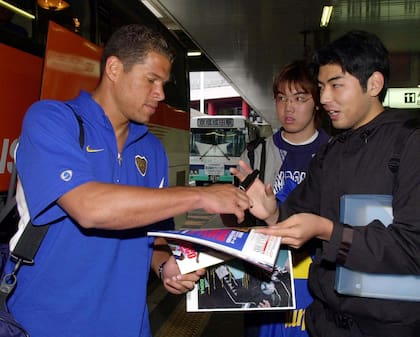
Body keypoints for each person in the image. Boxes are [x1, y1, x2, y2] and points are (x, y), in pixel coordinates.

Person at [5, 24, 250, 337]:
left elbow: (154, 237)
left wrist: (165, 265)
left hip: (128, 326)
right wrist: (198, 195)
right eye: (151, 80)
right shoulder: (52, 120)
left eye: (163, 83)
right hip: (45, 324)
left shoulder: (153, 150)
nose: (160, 94)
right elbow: (89, 207)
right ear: (114, 68)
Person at [232, 30, 420, 337]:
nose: (325, 98)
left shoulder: (410, 144)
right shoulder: (331, 152)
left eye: (336, 85)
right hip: (325, 324)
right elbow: (298, 215)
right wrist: (273, 213)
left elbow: (412, 247)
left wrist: (327, 232)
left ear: (373, 84)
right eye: (321, 87)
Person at [241, 60, 330, 337]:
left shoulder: (336, 153)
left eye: (300, 98)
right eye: (282, 98)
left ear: (317, 101)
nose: (288, 108)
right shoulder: (256, 155)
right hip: (267, 277)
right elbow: (236, 221)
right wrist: (234, 207)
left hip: (319, 279)